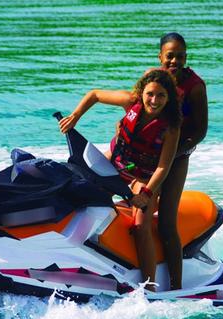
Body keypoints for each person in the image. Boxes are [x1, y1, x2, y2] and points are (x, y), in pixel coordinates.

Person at [59, 69, 182, 291]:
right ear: (141, 92)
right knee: (81, 200)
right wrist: (75, 117)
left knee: (140, 225)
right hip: (115, 164)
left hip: (143, 178)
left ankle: (150, 287)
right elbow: (95, 94)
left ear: (169, 97)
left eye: (161, 96)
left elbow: (163, 167)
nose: (154, 101)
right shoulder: (130, 101)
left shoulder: (170, 127)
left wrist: (145, 195)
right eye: (150, 94)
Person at [156, 32, 208, 290]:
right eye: (170, 56)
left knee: (166, 221)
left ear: (186, 58)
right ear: (160, 57)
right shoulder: (153, 79)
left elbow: (200, 131)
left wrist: (174, 154)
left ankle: (175, 286)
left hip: (177, 157)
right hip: (149, 152)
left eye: (180, 56)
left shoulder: (195, 86)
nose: (174, 61)